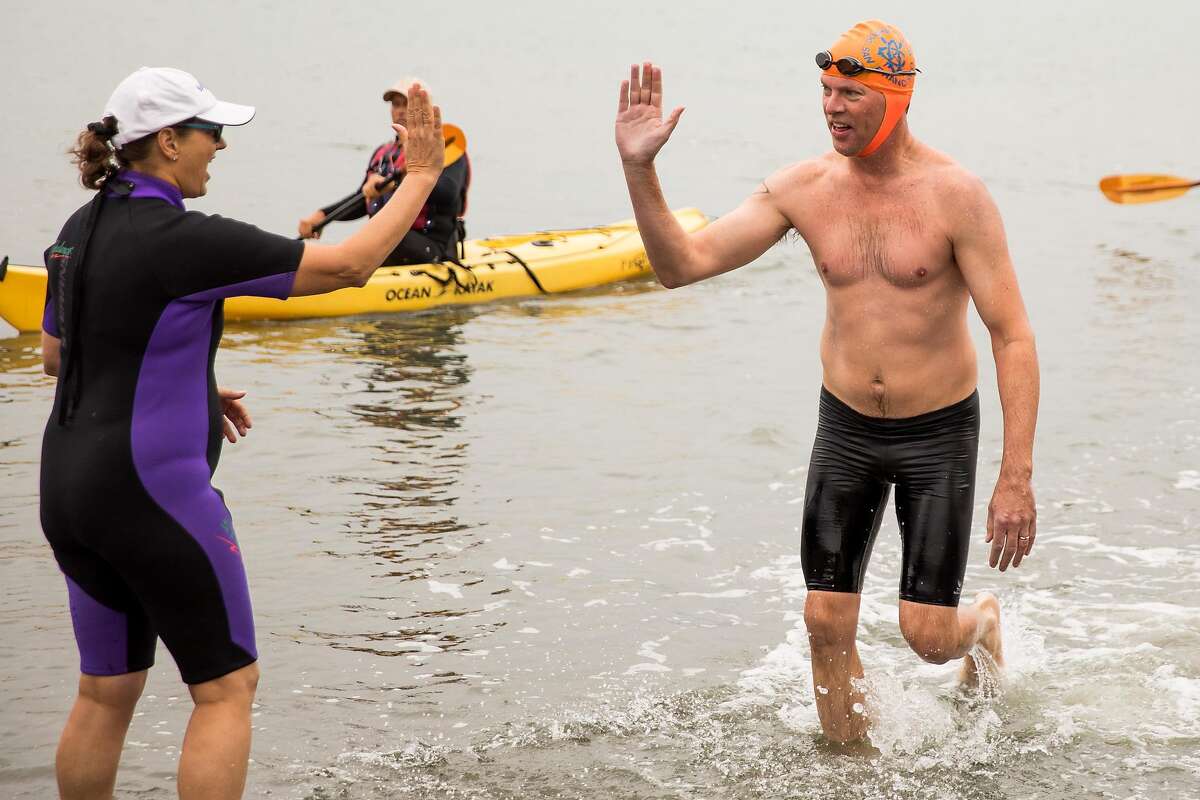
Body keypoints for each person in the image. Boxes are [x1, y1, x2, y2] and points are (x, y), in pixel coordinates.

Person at [613, 20, 1039, 744]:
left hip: (937, 431)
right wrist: (638, 169)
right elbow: (679, 265)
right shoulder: (801, 189)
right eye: (826, 91)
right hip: (846, 426)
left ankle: (984, 625)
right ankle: (848, 767)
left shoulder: (955, 196)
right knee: (824, 620)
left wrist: (1016, 475)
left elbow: (1013, 334)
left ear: (896, 97)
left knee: (929, 637)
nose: (832, 106)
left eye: (851, 92)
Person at [39, 66, 443, 799]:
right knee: (226, 687)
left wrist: (186, 379)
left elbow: (58, 357)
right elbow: (350, 264)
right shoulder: (183, 238)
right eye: (210, 132)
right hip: (149, 493)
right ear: (167, 142)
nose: (219, 146)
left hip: (67, 491)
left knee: (106, 691)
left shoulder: (76, 230)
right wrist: (419, 176)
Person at [297, 77, 470, 265]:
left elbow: (448, 193)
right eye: (396, 104)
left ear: (425, 110)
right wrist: (322, 215)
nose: (401, 110)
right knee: (377, 237)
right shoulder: (384, 153)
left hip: (431, 246)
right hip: (386, 241)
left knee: (380, 238)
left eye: (408, 104)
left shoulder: (445, 150)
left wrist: (399, 181)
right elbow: (364, 200)